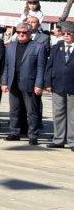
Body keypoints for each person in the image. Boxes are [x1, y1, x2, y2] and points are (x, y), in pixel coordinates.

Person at [1, 22, 48, 145]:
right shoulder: (10, 46)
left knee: (32, 111)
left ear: (30, 33)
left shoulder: (39, 46)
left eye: (24, 32)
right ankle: (14, 133)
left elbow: (41, 68)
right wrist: (4, 82)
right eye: (19, 32)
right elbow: (6, 66)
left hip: (30, 84)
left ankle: (33, 135)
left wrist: (39, 84)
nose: (21, 34)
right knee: (14, 110)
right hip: (13, 82)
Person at [45, 21, 74, 149]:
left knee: (73, 115)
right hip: (57, 85)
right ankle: (58, 140)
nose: (66, 35)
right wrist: (48, 82)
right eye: (64, 33)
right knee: (58, 114)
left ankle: (72, 141)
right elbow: (49, 66)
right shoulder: (57, 46)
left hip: (72, 86)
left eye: (70, 33)